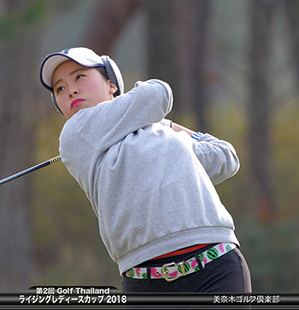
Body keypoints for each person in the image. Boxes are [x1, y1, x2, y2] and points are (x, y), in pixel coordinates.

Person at [39, 47, 251, 293]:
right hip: (148, 282)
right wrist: (157, 119)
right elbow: (158, 93)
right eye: (60, 89)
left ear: (111, 83)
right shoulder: (76, 133)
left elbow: (225, 155)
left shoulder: (163, 136)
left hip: (215, 266)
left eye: (79, 77)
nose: (71, 90)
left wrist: (161, 124)